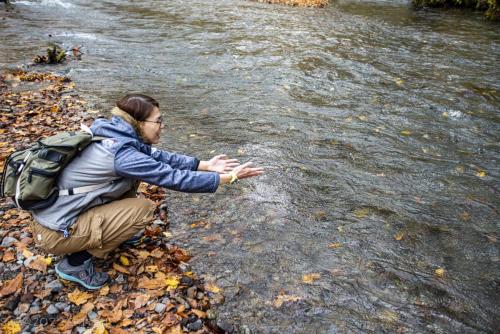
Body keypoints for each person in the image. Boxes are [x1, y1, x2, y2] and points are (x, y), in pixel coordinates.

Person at [29, 94, 263, 290]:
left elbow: (157, 158)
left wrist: (204, 164)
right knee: (142, 210)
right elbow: (173, 178)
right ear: (140, 123)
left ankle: (111, 231)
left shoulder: (111, 131)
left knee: (133, 184)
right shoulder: (123, 155)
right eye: (158, 121)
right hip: (55, 233)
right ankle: (75, 263)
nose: (162, 126)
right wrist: (228, 178)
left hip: (55, 217)